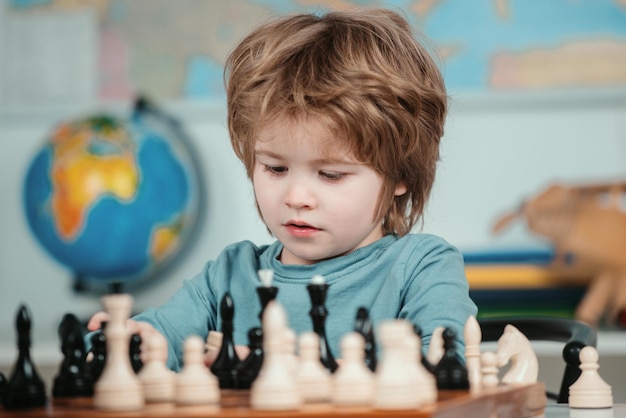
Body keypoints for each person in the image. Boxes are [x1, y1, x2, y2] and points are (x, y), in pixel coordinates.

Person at [88, 7, 477, 371]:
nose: (296, 197)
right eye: (275, 168)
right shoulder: (230, 275)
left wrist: (288, 369)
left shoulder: (421, 267)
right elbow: (159, 336)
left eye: (331, 174)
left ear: (400, 175)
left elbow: (444, 368)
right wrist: (127, 342)